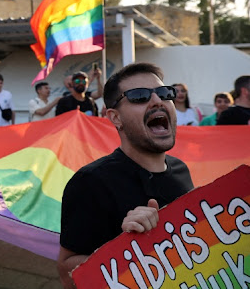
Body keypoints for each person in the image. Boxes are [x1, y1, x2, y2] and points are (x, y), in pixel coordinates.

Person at [57, 62, 193, 289]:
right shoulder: (90, 182)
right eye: (139, 96)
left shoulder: (181, 170)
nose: (157, 101)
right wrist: (124, 246)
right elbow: (66, 274)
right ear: (115, 118)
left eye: (163, 93)